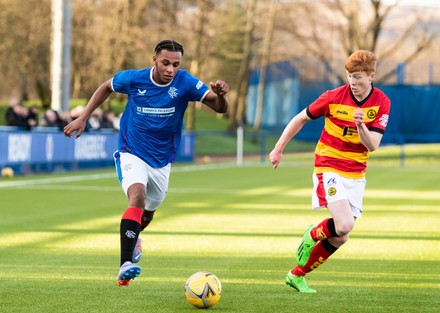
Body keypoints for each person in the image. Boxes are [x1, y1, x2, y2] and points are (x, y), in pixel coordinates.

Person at [63, 39, 229, 286]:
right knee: (137, 197)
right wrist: (83, 117)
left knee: (147, 215)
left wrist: (220, 95)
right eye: (165, 63)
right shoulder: (134, 79)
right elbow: (105, 87)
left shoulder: (186, 82)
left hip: (162, 160)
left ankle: (135, 236)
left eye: (175, 64)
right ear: (154, 59)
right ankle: (124, 265)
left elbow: (219, 108)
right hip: (131, 151)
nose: (170, 69)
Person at [269, 50, 390, 293]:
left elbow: (373, 145)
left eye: (358, 77)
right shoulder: (333, 97)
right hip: (329, 165)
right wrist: (278, 148)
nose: (353, 83)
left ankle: (297, 275)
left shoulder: (381, 102)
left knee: (340, 236)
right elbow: (300, 119)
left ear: (371, 76)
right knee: (344, 225)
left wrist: (360, 125)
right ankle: (312, 233)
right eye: (349, 77)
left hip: (356, 173)